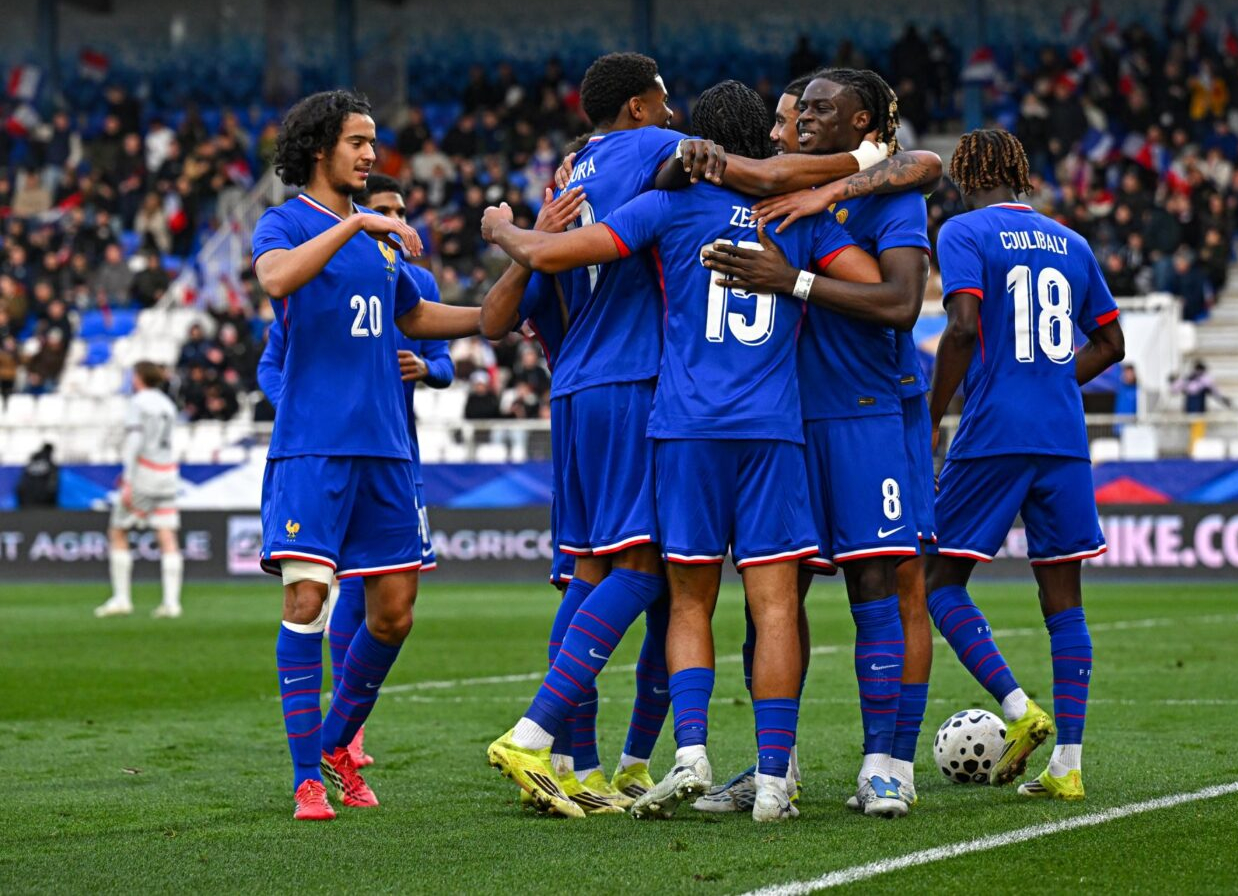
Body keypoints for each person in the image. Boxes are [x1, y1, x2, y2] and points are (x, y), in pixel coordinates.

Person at [483, 79, 882, 823]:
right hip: (772, 428)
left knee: (679, 596)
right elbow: (878, 292)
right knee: (773, 607)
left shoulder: (668, 204)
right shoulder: (796, 211)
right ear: (760, 142)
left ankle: (681, 753)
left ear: (701, 141)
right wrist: (804, 265)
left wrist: (505, 229)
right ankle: (773, 781)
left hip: (683, 423)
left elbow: (557, 252)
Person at [695, 69, 930, 818]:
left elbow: (900, 302)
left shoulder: (893, 193)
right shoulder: (783, 185)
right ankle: (778, 766)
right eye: (794, 114)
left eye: (817, 111)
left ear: (861, 122)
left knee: (879, 588)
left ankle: (886, 764)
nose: (796, 124)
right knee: (771, 597)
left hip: (865, 411)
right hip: (783, 420)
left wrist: (792, 279)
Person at [252, 89, 481, 821]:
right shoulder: (285, 223)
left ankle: (333, 743)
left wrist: (497, 315)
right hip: (314, 446)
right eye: (357, 141)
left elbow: (418, 314)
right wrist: (355, 222)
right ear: (320, 148)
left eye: (373, 141)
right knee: (307, 601)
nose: (370, 153)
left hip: (386, 447)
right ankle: (306, 781)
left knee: (394, 616)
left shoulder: (382, 243)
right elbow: (276, 279)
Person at [924, 129, 1125, 802]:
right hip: (1062, 435)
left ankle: (1018, 707)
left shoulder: (962, 231)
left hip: (995, 431)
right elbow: (1112, 343)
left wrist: (929, 418)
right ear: (1019, 174)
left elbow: (961, 326)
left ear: (964, 176)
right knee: (1063, 597)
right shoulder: (1072, 241)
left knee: (937, 579)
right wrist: (1055, 380)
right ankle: (1068, 763)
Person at [95, 362, 184, 619]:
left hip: (145, 472)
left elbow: (135, 441)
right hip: (168, 473)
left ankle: (121, 598)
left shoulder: (138, 403)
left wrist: (128, 479)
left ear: (138, 378)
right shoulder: (167, 403)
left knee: (118, 531)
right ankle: (171, 603)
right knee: (167, 535)